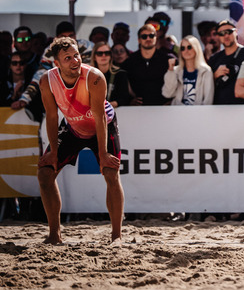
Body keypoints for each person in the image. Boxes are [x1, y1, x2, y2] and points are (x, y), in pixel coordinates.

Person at [37, 37, 123, 244]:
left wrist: (103, 154)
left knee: (111, 173)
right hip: (73, 128)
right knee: (45, 173)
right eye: (68, 58)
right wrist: (53, 153)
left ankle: (116, 236)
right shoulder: (47, 80)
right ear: (56, 63)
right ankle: (54, 234)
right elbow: (51, 117)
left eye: (76, 55)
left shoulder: (94, 77)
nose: (75, 60)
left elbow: (99, 117)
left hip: (103, 125)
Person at [120, 23, 169, 106]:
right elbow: (122, 85)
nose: (148, 38)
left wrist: (170, 101)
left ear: (156, 38)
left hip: (162, 108)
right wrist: (130, 100)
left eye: (151, 36)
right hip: (137, 110)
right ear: (139, 40)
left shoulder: (166, 60)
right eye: (144, 36)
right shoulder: (129, 62)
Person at [209, 18, 244, 105]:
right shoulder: (214, 59)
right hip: (219, 108)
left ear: (236, 32)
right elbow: (205, 84)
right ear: (218, 37)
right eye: (221, 33)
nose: (226, 36)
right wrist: (214, 76)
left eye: (229, 32)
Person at [163, 36, 214, 105]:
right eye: (183, 48)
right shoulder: (175, 71)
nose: (186, 51)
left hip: (198, 113)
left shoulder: (206, 71)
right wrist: (170, 71)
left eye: (189, 47)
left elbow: (208, 100)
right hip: (178, 113)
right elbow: (167, 94)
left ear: (196, 49)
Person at [92, 43, 132, 108]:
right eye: (100, 53)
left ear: (111, 56)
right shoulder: (88, 76)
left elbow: (125, 99)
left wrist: (109, 105)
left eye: (107, 53)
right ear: (94, 57)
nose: (104, 56)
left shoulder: (120, 74)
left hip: (116, 113)